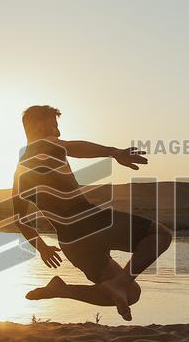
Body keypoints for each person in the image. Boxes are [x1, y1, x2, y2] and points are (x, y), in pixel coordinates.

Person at [12, 105, 172, 321]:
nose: (58, 130)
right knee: (161, 235)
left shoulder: (19, 171)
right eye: (54, 124)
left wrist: (42, 248)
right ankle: (120, 283)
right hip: (91, 222)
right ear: (37, 124)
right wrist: (113, 152)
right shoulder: (47, 144)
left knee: (132, 294)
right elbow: (74, 147)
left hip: (70, 243)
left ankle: (62, 290)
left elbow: (20, 218)